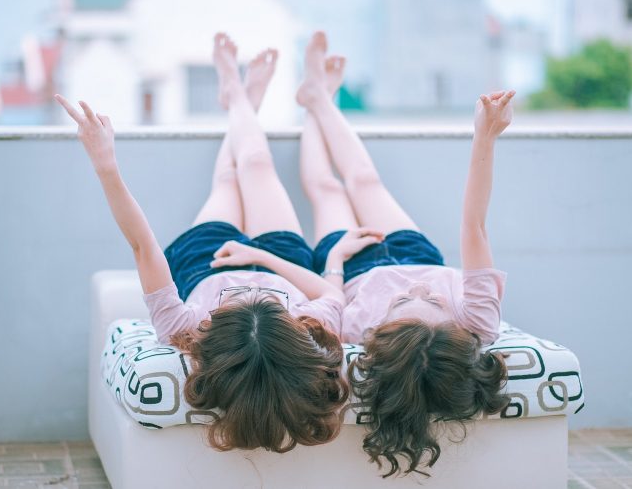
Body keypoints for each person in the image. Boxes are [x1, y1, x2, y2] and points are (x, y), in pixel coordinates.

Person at [55, 32, 348, 453]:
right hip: (280, 258)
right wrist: (260, 256)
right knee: (258, 163)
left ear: (214, 327)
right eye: (263, 301)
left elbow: (143, 246)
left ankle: (237, 93)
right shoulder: (311, 329)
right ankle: (241, 99)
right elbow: (330, 291)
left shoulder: (185, 329)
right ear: (290, 329)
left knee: (230, 176)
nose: (249, 288)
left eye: (238, 300)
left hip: (206, 262)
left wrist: (106, 166)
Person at [297, 31, 512, 477]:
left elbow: (328, 295)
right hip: (417, 252)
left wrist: (335, 258)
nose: (417, 291)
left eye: (403, 303)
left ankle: (315, 104)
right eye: (435, 301)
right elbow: (474, 225)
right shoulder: (477, 323)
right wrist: (484, 137)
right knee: (364, 180)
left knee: (326, 189)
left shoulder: (358, 332)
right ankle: (319, 98)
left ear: (381, 335)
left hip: (352, 263)